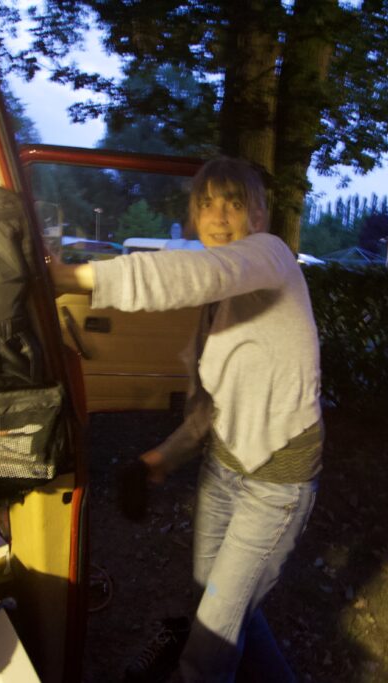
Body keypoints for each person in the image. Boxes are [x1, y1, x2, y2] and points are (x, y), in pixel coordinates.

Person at [50, 157, 322, 682]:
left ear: (258, 215)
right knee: (216, 607)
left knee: (209, 644)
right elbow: (211, 403)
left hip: (276, 484)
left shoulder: (271, 257)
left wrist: (69, 277)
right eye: (207, 204)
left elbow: (188, 273)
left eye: (234, 204)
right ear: (194, 216)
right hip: (224, 472)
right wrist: (163, 457)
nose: (219, 216)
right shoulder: (219, 305)